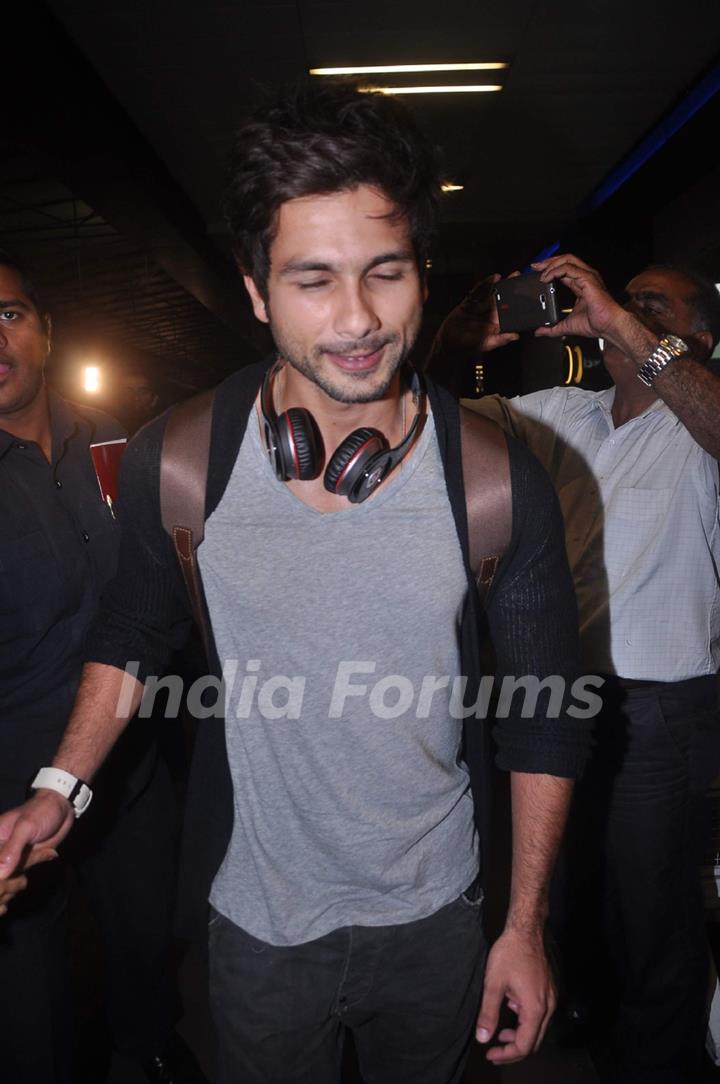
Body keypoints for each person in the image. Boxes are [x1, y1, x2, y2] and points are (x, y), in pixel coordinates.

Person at [0, 87, 591, 1084]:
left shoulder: (495, 478)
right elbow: (133, 628)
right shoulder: (178, 461)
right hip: (257, 921)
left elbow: (545, 718)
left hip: (437, 916)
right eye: (313, 280)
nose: (357, 319)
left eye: (385, 274)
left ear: (421, 276)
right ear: (257, 290)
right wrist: (60, 783)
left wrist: (524, 925)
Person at [437, 254, 720, 1082]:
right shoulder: (566, 412)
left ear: (699, 337)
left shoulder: (695, 425)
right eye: (617, 301)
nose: (615, 312)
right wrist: (459, 339)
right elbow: (434, 419)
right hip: (561, 696)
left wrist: (627, 324)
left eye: (650, 307)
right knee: (569, 886)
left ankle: (659, 1065)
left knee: (652, 916)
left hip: (658, 708)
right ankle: (599, 1023)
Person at [0, 249, 206, 1084]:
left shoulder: (115, 440)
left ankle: (149, 1043)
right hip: (12, 784)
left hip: (130, 759)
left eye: (8, 314)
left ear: (46, 331)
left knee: (148, 936)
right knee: (29, 999)